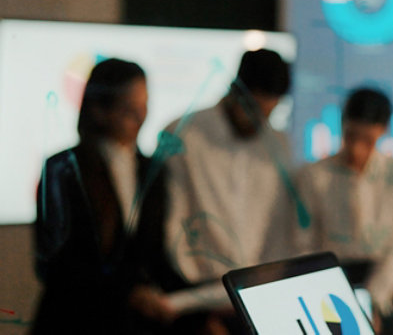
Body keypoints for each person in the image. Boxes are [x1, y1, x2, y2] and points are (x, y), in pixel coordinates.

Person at [33, 58, 174, 334]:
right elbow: (54, 264)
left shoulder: (151, 170)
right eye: (129, 109)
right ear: (99, 110)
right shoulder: (63, 169)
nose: (140, 117)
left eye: (144, 107)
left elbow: (155, 252)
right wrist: (128, 293)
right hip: (75, 321)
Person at [162, 48, 296, 334]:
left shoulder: (279, 145)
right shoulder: (184, 133)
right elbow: (170, 225)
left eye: (268, 112)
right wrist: (199, 310)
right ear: (235, 91)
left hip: (256, 297)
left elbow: (277, 230)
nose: (259, 119)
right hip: (192, 302)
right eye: (253, 108)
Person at [294, 87, 393, 334]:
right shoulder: (314, 175)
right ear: (342, 125)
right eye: (351, 136)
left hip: (377, 286)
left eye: (367, 140)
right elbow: (303, 243)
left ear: (383, 131)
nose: (356, 149)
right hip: (326, 282)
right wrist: (323, 293)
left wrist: (374, 301)